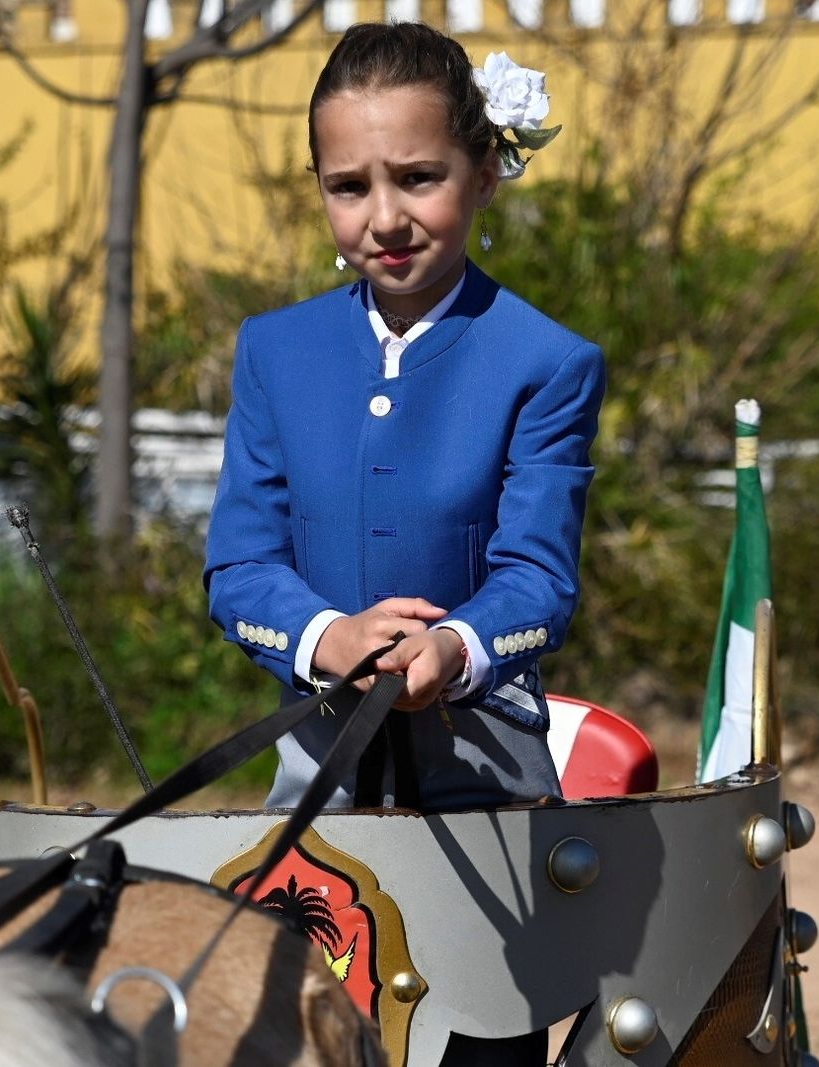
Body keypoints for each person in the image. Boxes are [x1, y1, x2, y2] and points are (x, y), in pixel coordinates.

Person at [205, 23, 605, 817]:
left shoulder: (548, 361)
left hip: (490, 779)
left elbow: (539, 578)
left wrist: (453, 648)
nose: (384, 219)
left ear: (485, 174)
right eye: (348, 187)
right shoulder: (275, 350)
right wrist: (329, 638)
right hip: (316, 778)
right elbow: (240, 567)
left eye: (419, 178)